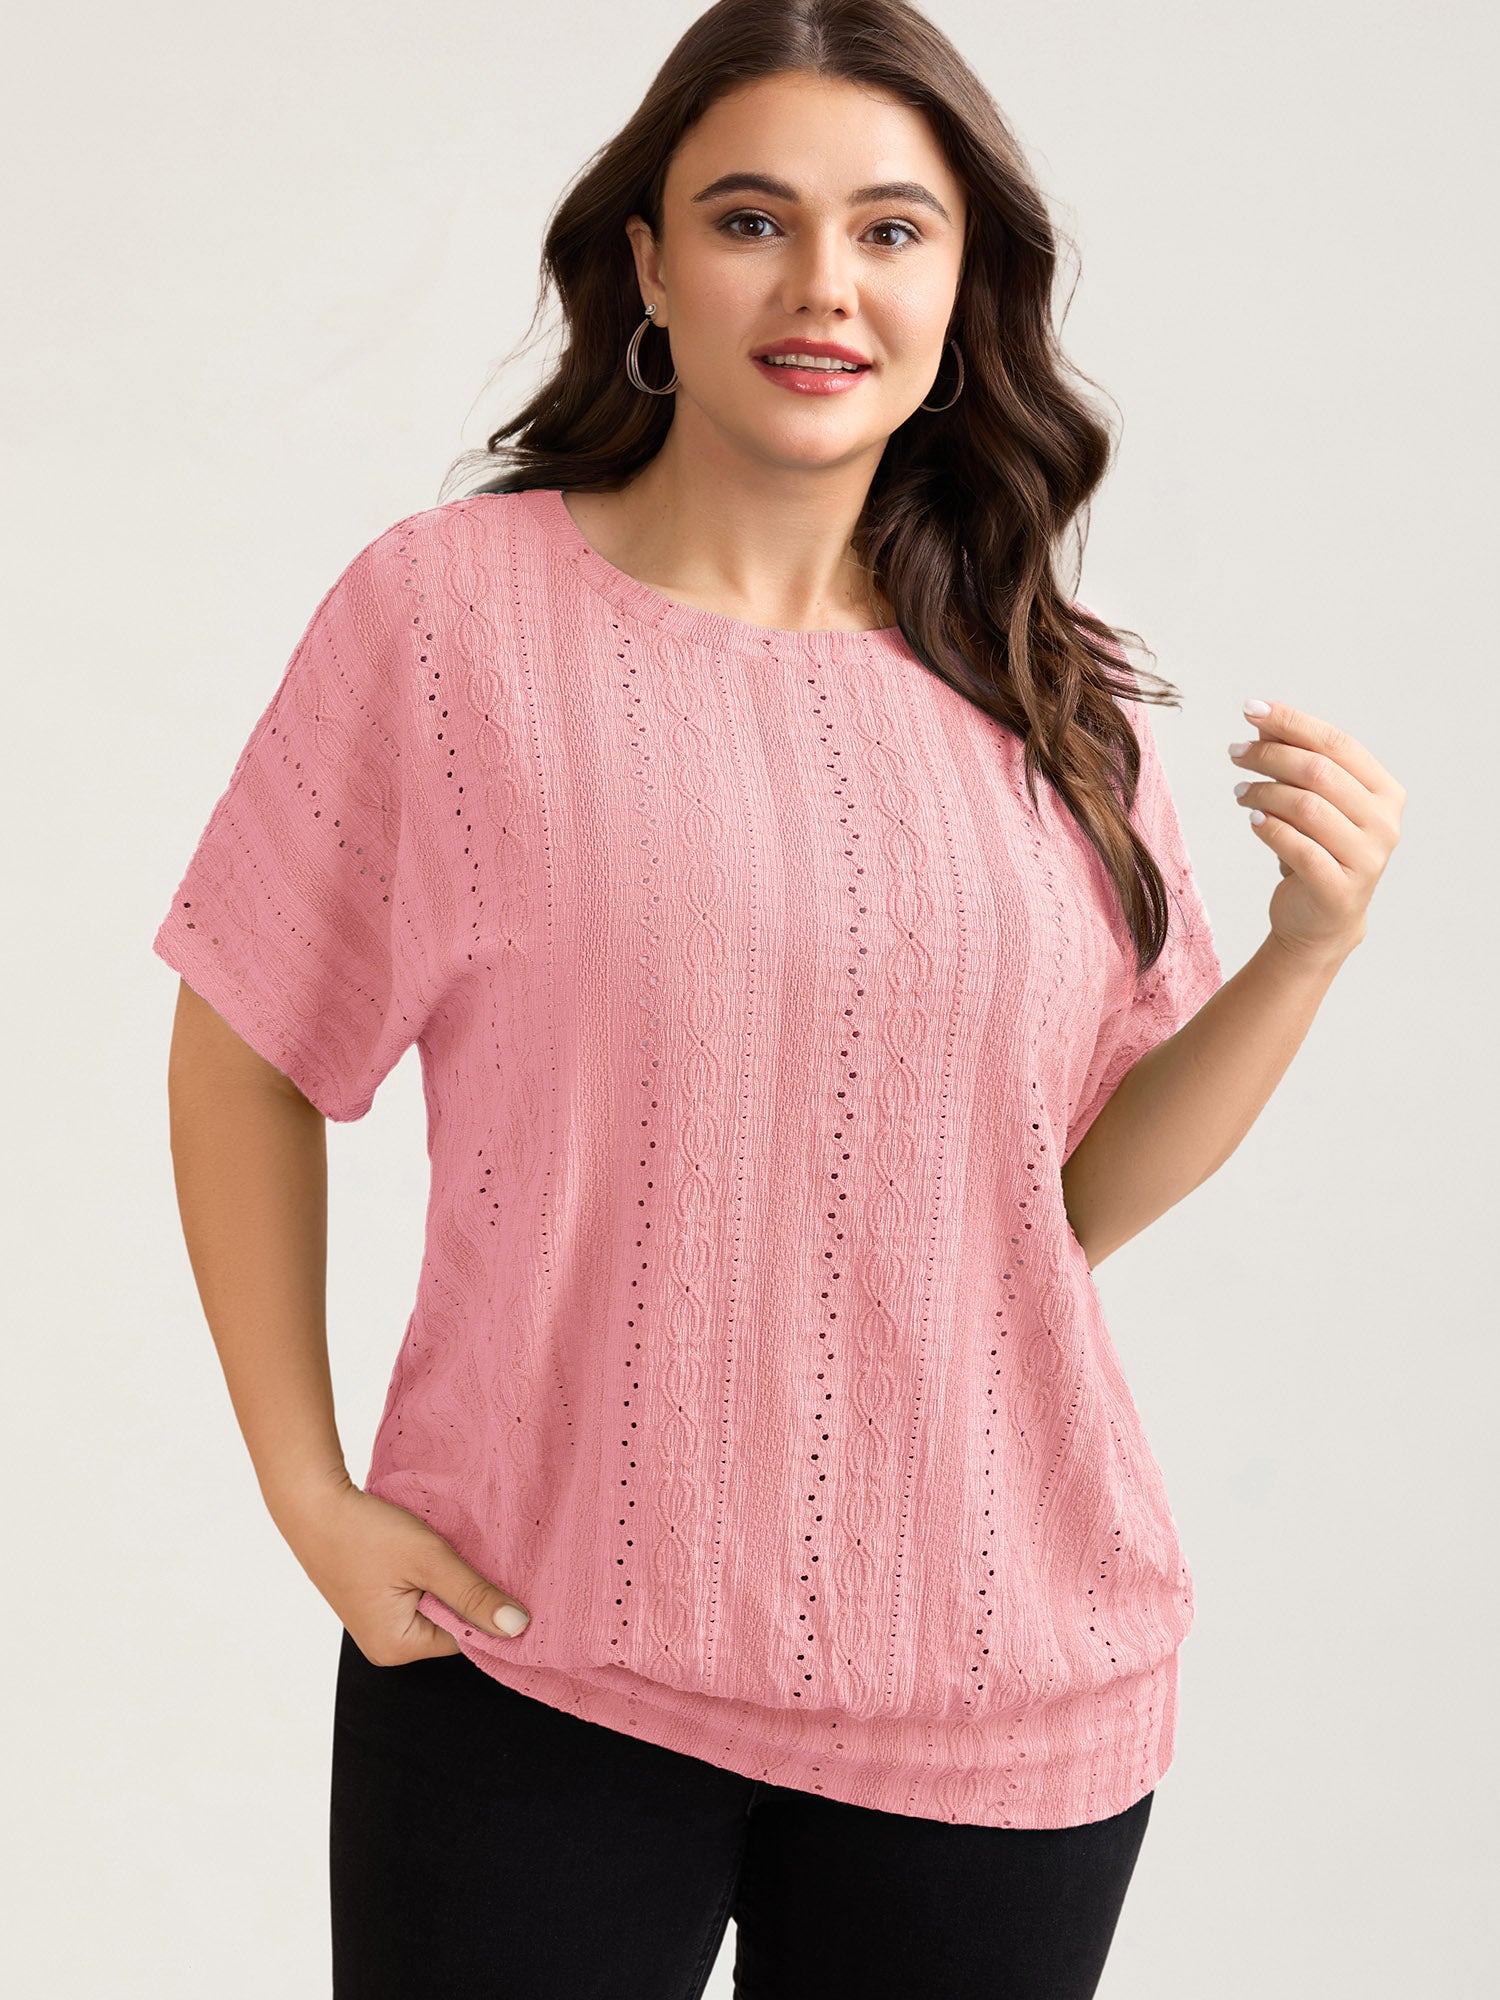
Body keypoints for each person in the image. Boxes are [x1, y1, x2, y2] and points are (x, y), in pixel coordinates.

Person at [153, 4, 1404, 1994]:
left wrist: (1307, 952)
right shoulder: (449, 622)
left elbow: (1062, 1200)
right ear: (649, 265)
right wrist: (308, 1496)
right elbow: (243, 1047)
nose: (825, 284)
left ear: (962, 288)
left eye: (892, 231)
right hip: (527, 1661)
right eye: (754, 220)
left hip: (1001, 1695)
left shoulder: (1053, 684)